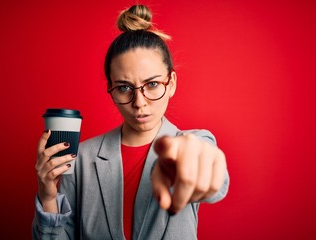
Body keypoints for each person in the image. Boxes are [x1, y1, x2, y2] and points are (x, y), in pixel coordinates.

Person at [32, 4, 229, 240]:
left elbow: (210, 171)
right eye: (125, 88)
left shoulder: (193, 142)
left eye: (153, 84)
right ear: (111, 90)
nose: (139, 102)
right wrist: (49, 197)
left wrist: (194, 161)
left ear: (172, 83)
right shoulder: (81, 159)